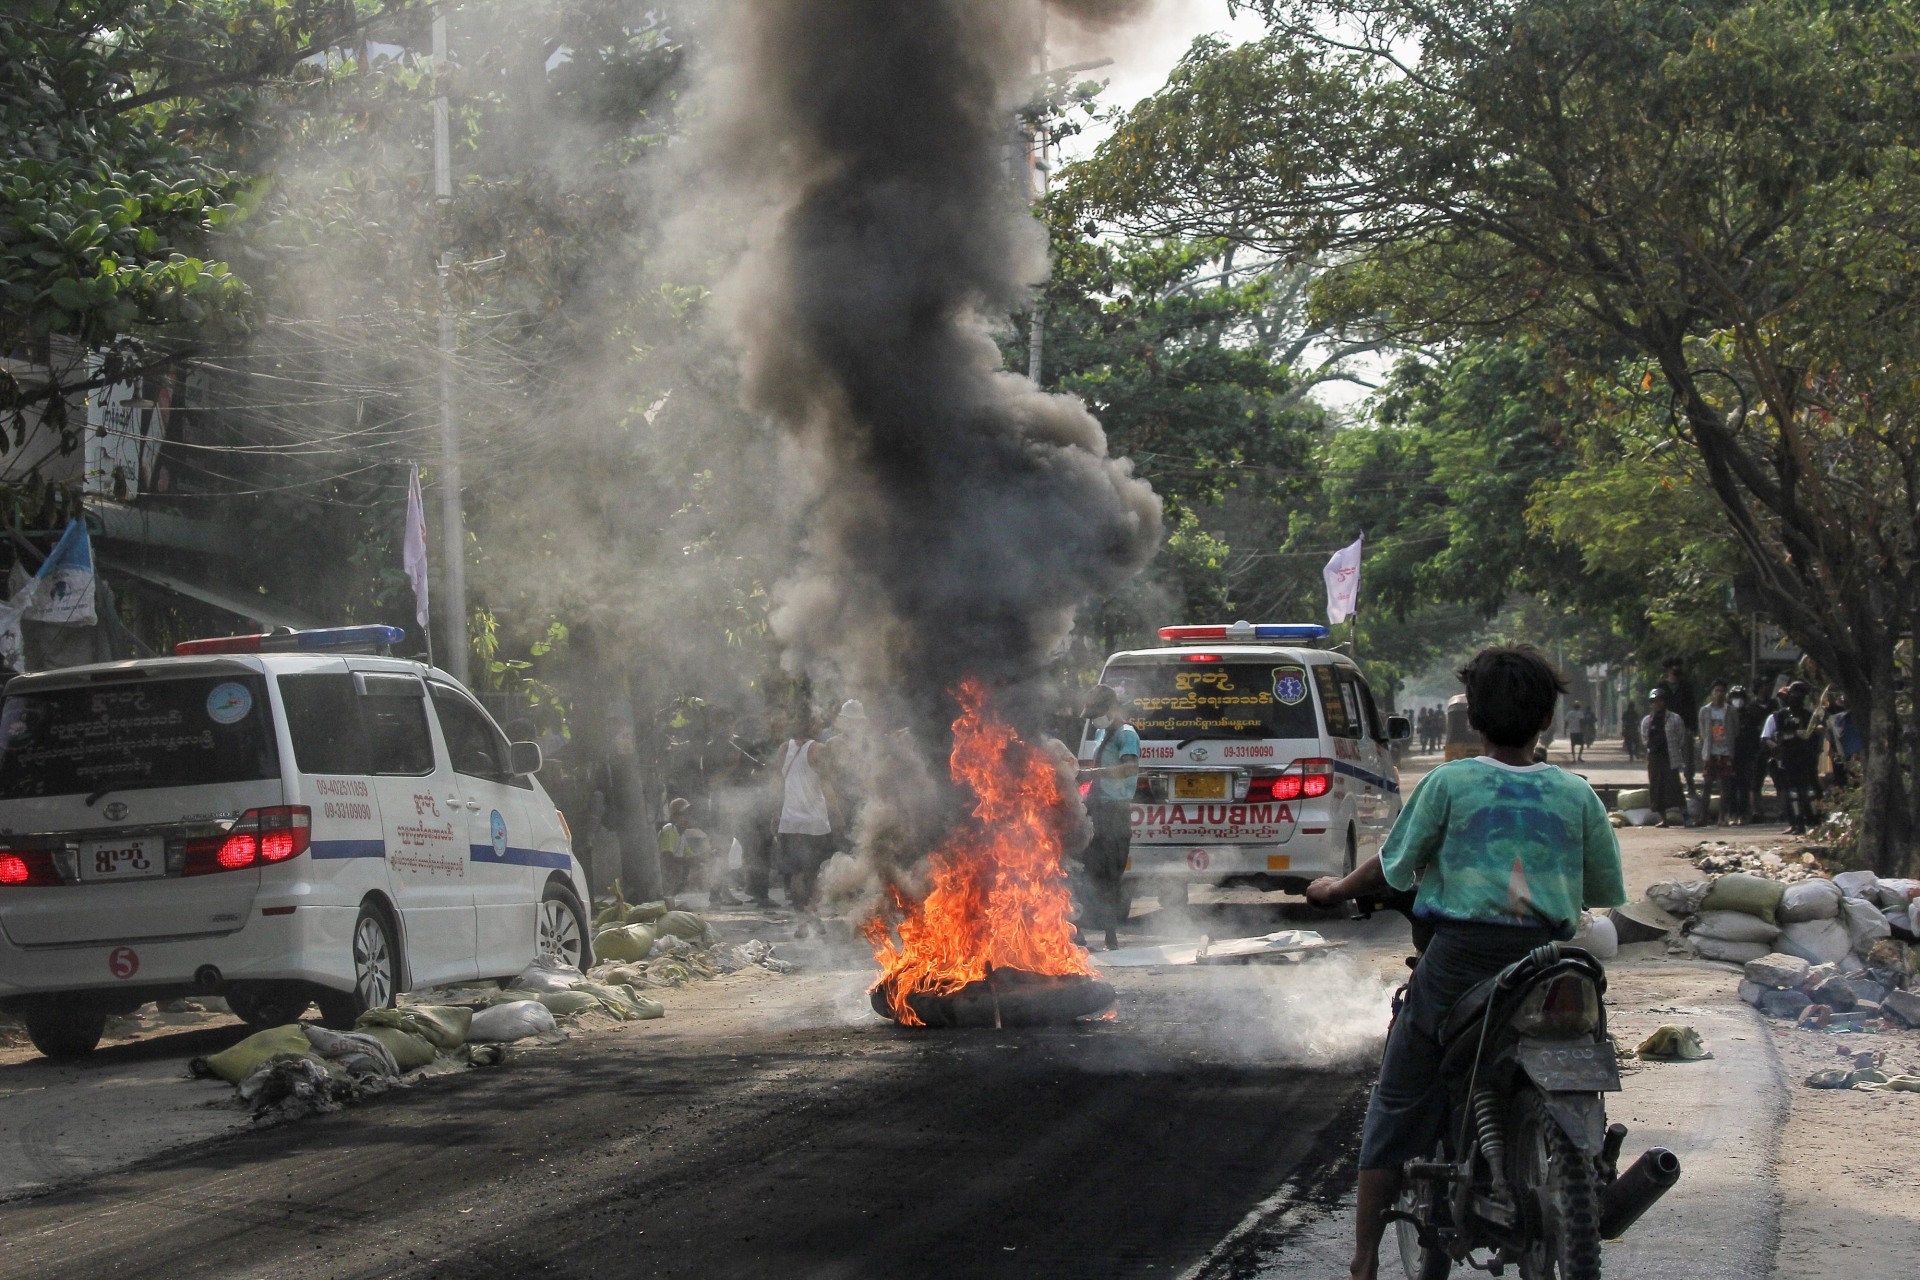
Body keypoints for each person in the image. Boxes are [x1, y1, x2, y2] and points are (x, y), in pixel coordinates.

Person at [1313, 645, 1624, 1280]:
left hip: (1459, 963)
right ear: (1547, 720)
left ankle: (1365, 1258)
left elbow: (1394, 866)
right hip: (1552, 962)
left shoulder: (1449, 783)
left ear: (1474, 718)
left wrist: (1337, 889)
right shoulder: (1577, 794)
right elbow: (1600, 892)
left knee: (1399, 1092)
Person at [1076, 684, 1139, 952]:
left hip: (1115, 813)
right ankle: (1077, 935)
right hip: (1096, 809)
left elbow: (1129, 768)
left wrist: (1095, 773)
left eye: (1096, 714)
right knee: (1083, 872)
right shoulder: (1102, 732)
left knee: (1110, 877)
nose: (1093, 721)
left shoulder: (1127, 735)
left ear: (1111, 709)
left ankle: (1110, 937)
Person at [775, 713, 836, 936]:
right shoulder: (818, 750)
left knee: (796, 873)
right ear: (811, 726)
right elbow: (826, 784)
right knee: (816, 871)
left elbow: (777, 785)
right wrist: (838, 814)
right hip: (815, 822)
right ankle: (813, 914)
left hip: (790, 820)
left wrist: (776, 814)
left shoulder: (783, 750)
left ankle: (801, 922)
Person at [1762, 683, 1819, 835]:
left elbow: (1815, 737)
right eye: (1794, 695)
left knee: (1809, 791)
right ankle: (1796, 823)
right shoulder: (1778, 716)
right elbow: (1771, 737)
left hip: (1806, 758)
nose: (1796, 699)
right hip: (1787, 758)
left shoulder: (1809, 716)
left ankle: (1814, 823)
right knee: (1791, 792)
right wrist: (1790, 738)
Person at [1641, 689, 1688, 827]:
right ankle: (1664, 819)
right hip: (1654, 758)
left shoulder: (1675, 718)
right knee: (1656, 789)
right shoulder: (1647, 721)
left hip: (1670, 758)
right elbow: (1645, 739)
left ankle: (1686, 817)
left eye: (1660, 701)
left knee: (1675, 788)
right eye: (1655, 702)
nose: (1658, 704)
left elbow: (1681, 737)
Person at [1697, 682, 1738, 826]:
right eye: (1717, 690)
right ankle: (1703, 816)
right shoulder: (1705, 711)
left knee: (1725, 786)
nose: (1719, 693)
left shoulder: (1730, 711)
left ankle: (1722, 817)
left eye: (1722, 691)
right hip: (1711, 752)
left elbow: (1735, 730)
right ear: (1713, 692)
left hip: (1726, 752)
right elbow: (1702, 732)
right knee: (1707, 785)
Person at [1662, 658, 1699, 795]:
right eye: (1673, 666)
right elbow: (1655, 706)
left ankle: (1690, 783)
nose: (1675, 669)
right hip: (1667, 727)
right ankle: (1672, 786)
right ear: (1668, 669)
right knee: (1669, 758)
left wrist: (1693, 727)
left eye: (1678, 666)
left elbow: (1692, 707)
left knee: (1688, 757)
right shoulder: (1661, 687)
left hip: (1685, 726)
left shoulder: (1686, 686)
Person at [1726, 684, 1761, 825]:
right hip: (1729, 755)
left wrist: (1753, 755)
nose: (1737, 700)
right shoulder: (1726, 714)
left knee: (1744, 786)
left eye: (1740, 697)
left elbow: (1754, 737)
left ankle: (1743, 814)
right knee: (1730, 786)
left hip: (1745, 756)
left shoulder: (1750, 715)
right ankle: (1732, 814)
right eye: (1735, 697)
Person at [1621, 697, 1642, 762]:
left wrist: (1623, 729)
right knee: (1637, 742)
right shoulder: (1635, 713)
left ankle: (1631, 756)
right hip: (1634, 730)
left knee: (1628, 743)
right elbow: (1638, 721)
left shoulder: (1625, 713)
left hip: (1627, 730)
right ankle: (1636, 752)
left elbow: (1623, 721)